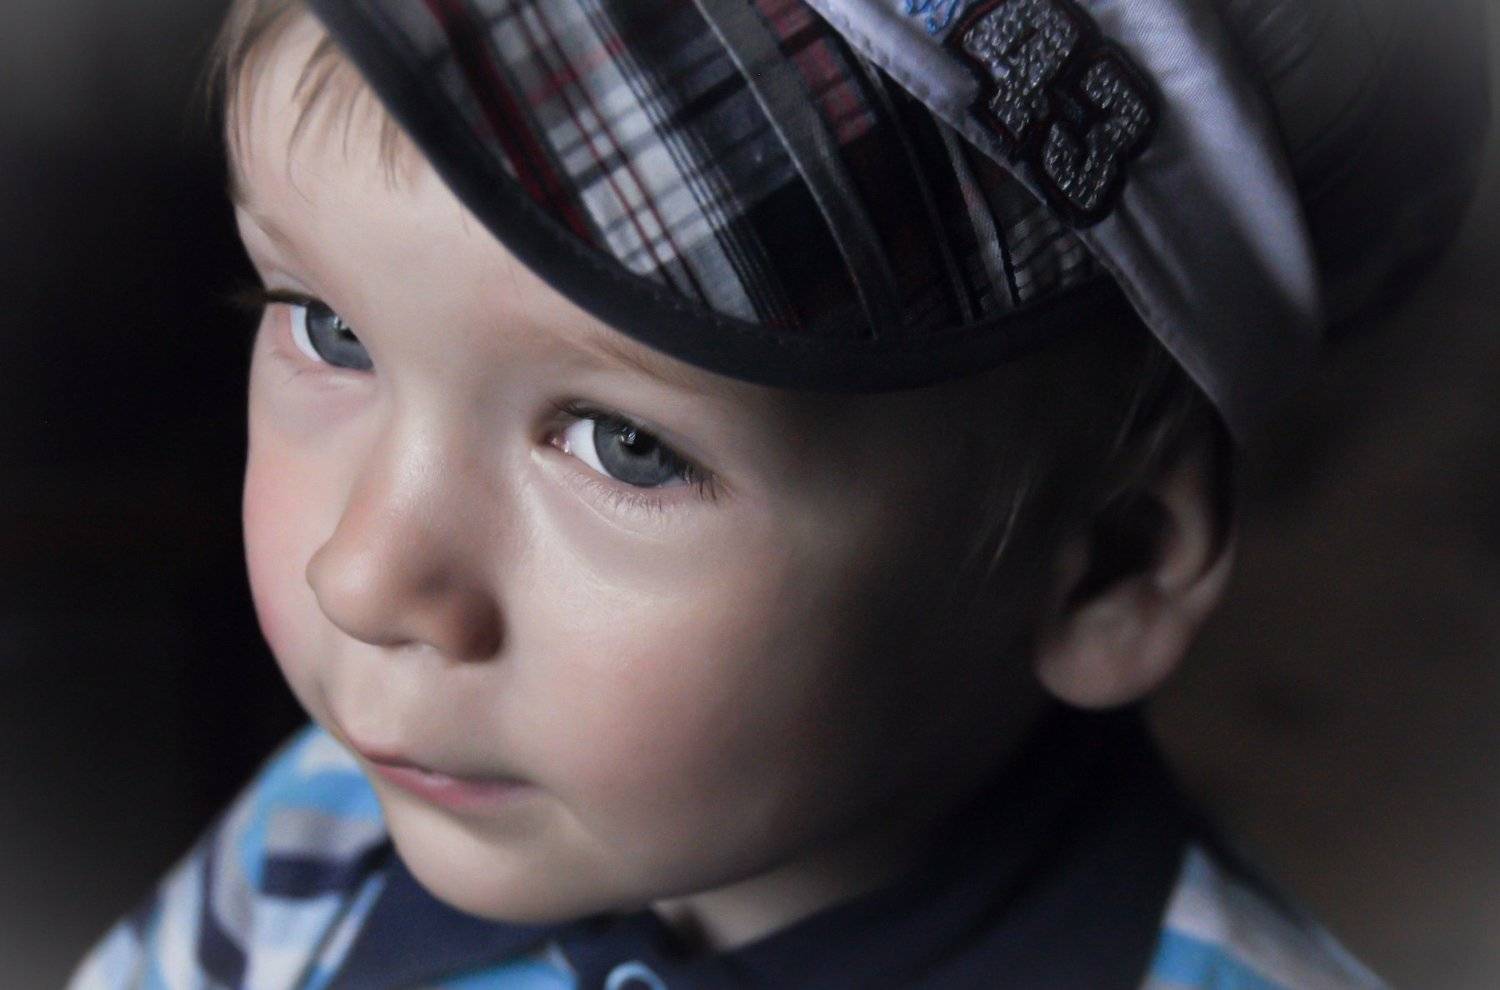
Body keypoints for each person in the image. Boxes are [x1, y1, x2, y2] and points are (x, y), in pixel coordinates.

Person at [71, 0, 1486, 987]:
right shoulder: (315, 834)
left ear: (1107, 562)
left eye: (627, 445)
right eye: (331, 328)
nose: (365, 576)